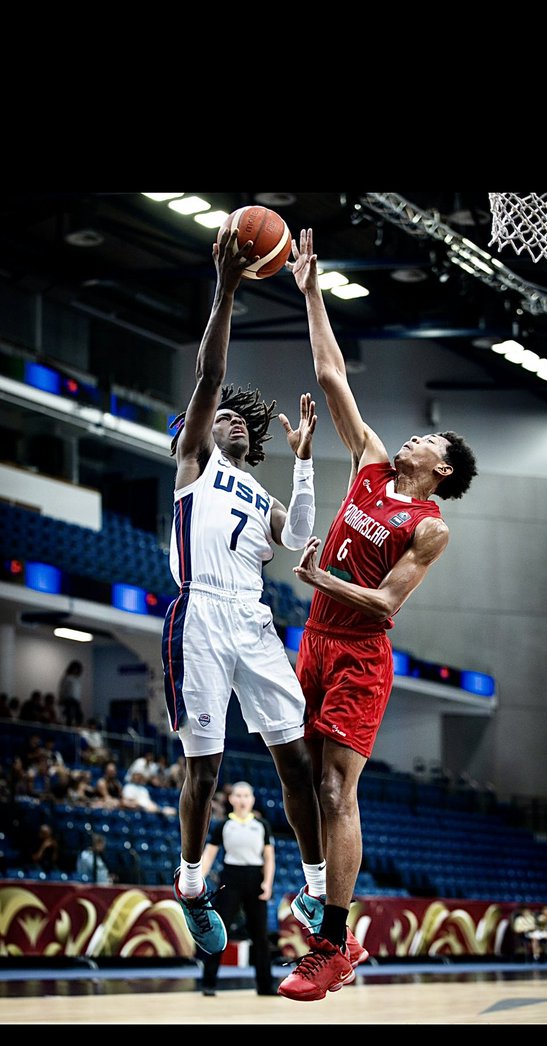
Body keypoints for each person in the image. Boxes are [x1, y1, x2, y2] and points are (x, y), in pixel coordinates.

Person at [278, 228, 478, 1001]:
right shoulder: (368, 460)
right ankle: (313, 889)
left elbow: (390, 602)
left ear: (444, 468)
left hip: (360, 653)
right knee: (291, 770)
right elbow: (331, 374)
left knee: (334, 791)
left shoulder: (429, 525)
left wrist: (323, 579)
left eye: (426, 438)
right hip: (315, 639)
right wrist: (310, 291)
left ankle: (332, 947)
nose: (412, 439)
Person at [162, 227, 358, 971]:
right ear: (201, 429)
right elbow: (211, 370)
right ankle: (189, 886)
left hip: (253, 617)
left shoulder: (262, 489)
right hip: (199, 614)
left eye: (240, 418)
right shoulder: (192, 465)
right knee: (204, 772)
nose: (229, 417)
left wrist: (307, 462)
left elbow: (302, 541)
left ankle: (314, 892)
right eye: (218, 415)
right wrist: (229, 287)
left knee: (299, 763)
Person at [200, 781, 276, 996]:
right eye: (238, 796)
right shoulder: (223, 825)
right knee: (219, 931)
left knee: (260, 936)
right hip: (230, 878)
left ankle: (265, 986)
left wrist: (267, 883)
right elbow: (209, 855)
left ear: (252, 800)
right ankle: (209, 983)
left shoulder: (262, 825)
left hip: (255, 879)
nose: (242, 800)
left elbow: (269, 858)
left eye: (246, 796)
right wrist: (198, 881)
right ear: (231, 799)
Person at [58, 661, 84, 727]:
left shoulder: (77, 679)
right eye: (75, 668)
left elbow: (77, 691)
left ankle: (76, 730)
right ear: (72, 668)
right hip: (68, 700)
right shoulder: (67, 678)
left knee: (80, 717)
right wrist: (61, 698)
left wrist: (79, 701)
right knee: (69, 717)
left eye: (77, 669)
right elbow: (62, 689)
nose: (76, 670)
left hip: (76, 701)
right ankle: (68, 730)